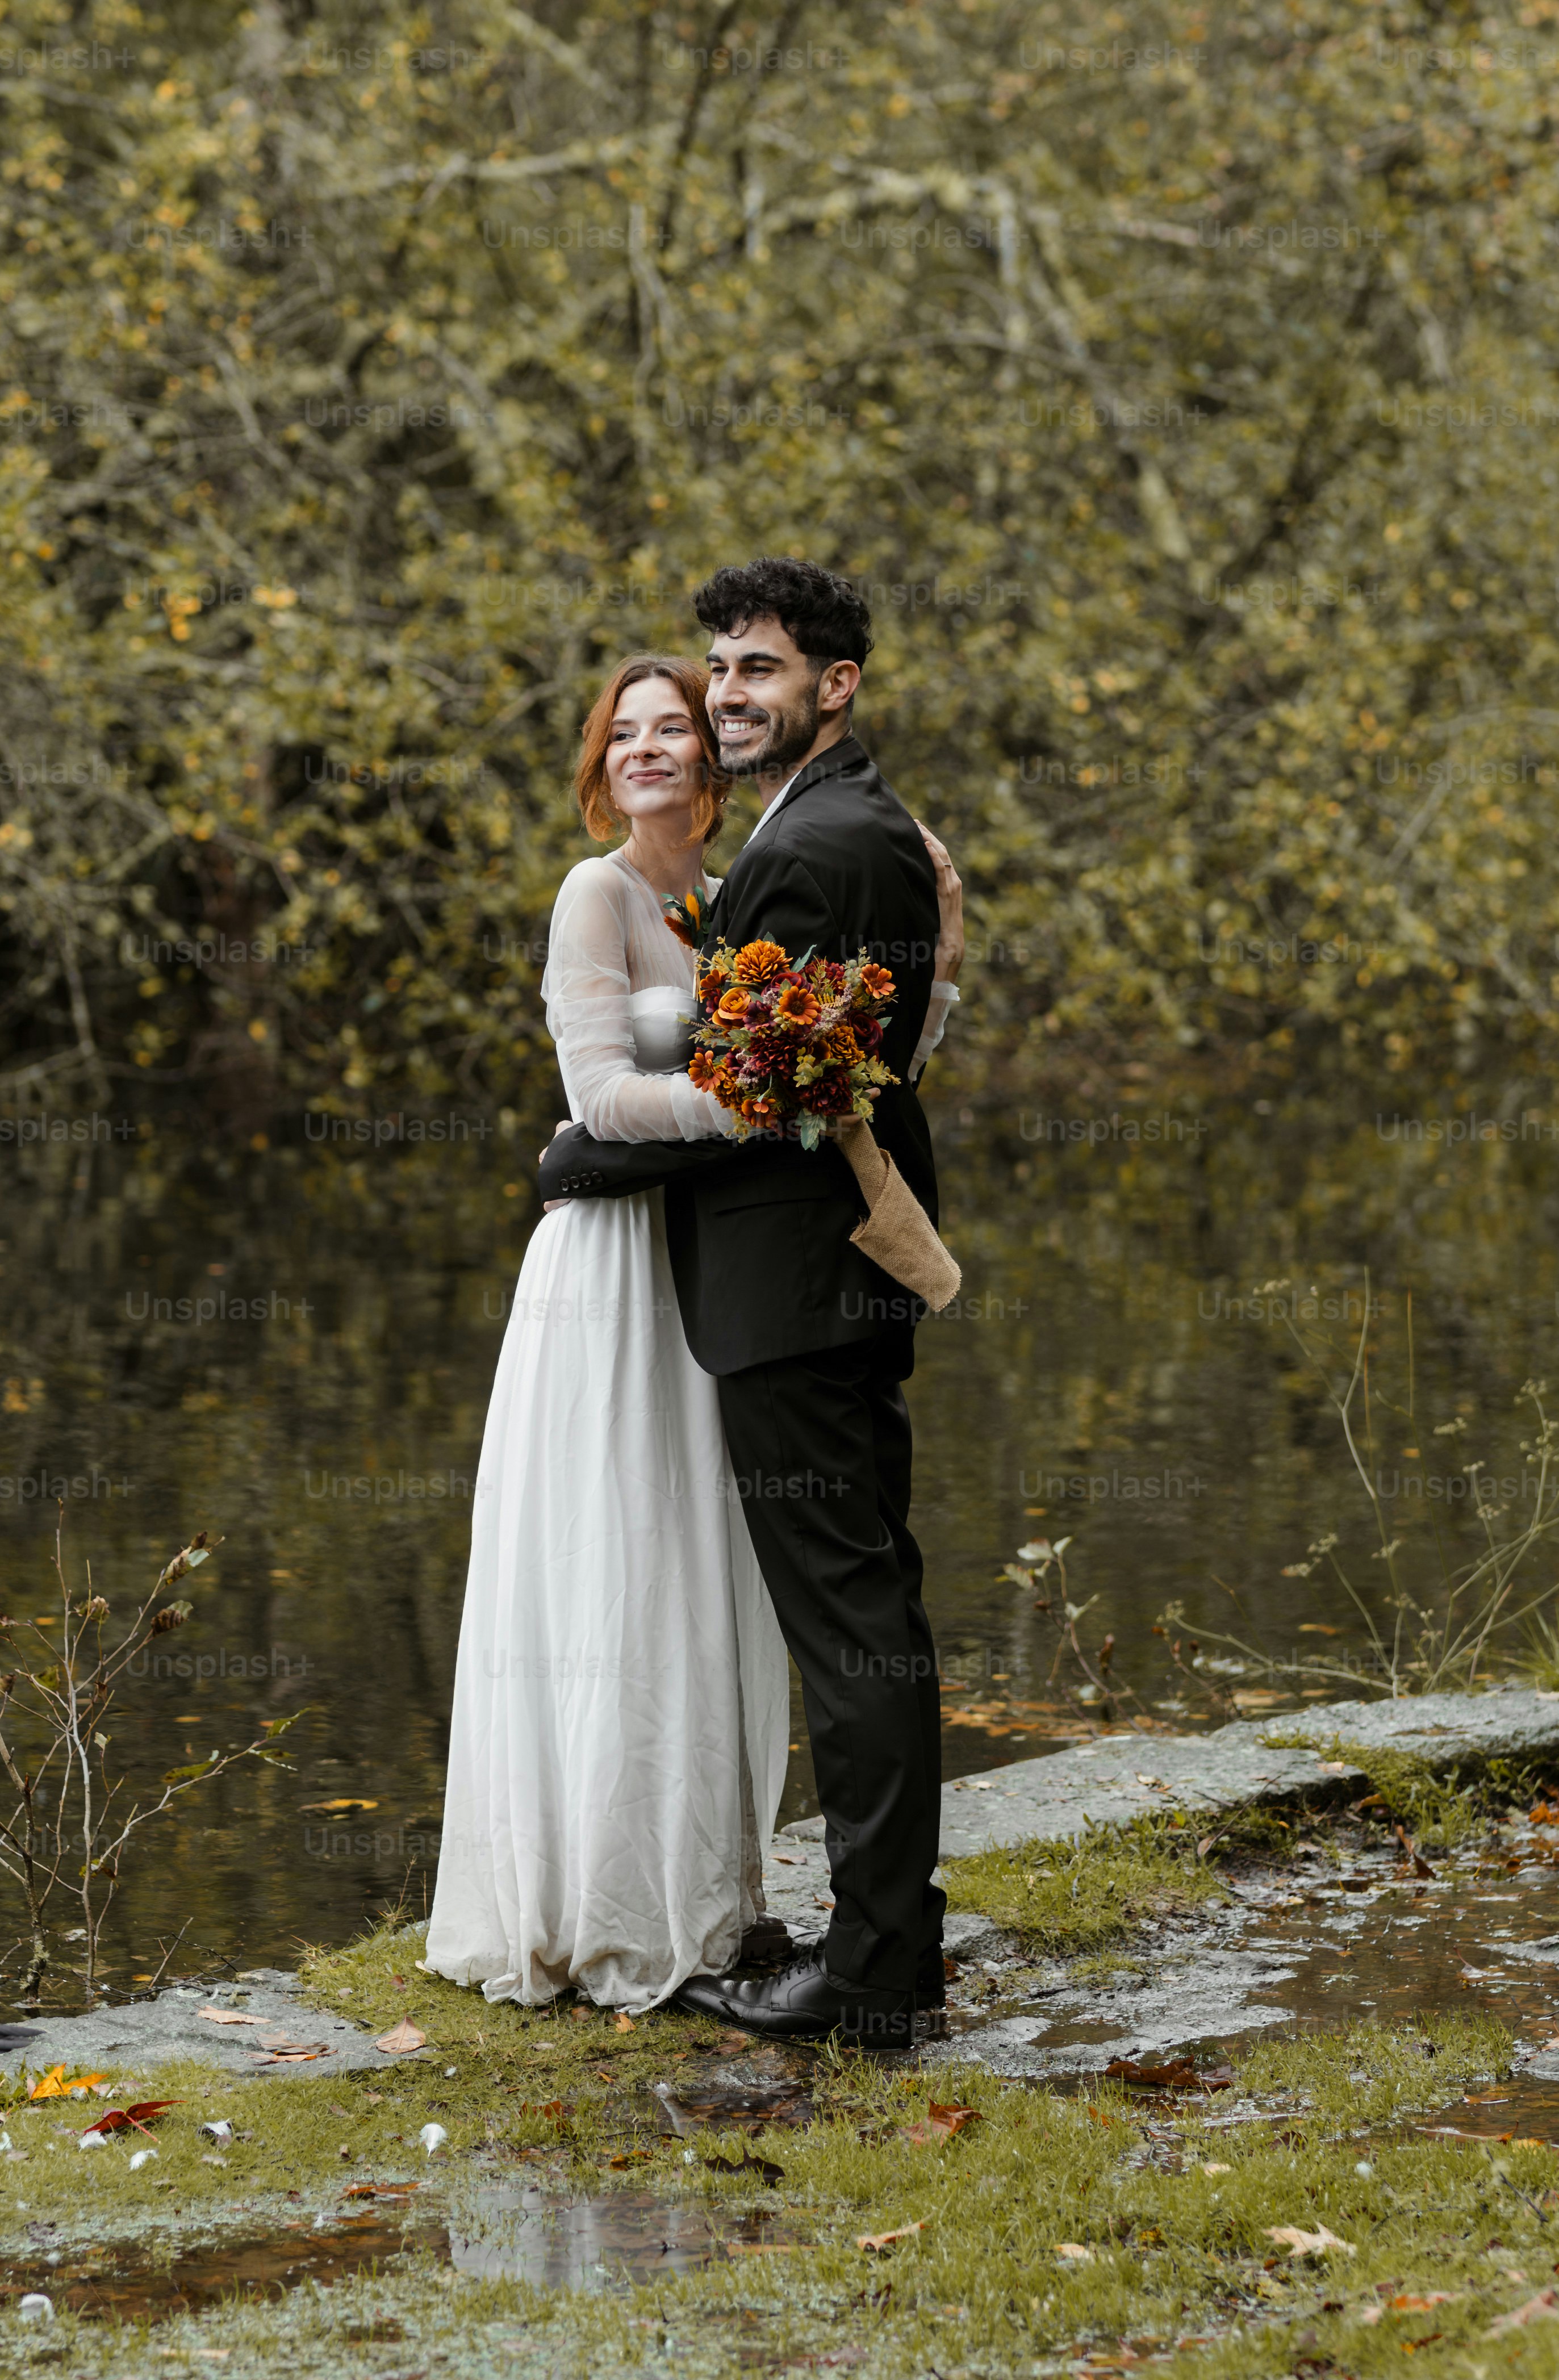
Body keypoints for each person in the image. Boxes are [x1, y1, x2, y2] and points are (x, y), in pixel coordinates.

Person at [424, 648, 963, 2014]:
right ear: (600, 767)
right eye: (626, 735)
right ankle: (592, 1906)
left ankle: (700, 1898)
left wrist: (811, 1071)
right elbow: (601, 1095)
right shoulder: (595, 893)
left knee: (689, 1580)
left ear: (713, 762)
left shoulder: (729, 904)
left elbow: (850, 1054)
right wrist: (762, 1097)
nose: (650, 749)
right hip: (607, 1275)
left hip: (706, 1273)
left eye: (674, 728)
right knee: (603, 1565)